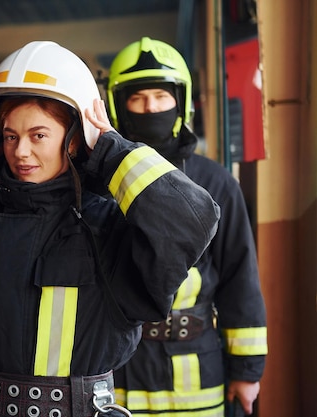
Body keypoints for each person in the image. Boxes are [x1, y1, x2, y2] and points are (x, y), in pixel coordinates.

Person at [0, 41, 219, 417]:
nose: (21, 152)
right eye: (11, 136)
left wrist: (112, 153)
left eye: (39, 135)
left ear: (76, 139)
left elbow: (192, 220)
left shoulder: (108, 229)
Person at [106, 37, 268, 417]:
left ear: (181, 101)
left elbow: (239, 278)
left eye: (161, 97)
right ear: (119, 105)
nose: (151, 108)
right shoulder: (99, 183)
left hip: (197, 378)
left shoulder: (215, 182)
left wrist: (246, 371)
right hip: (117, 375)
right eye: (138, 98)